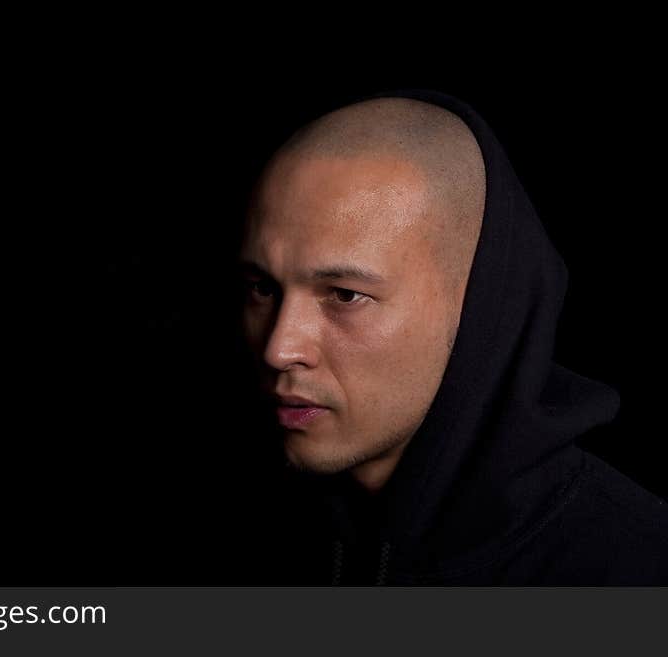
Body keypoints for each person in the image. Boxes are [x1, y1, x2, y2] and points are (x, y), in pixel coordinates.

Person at [239, 90, 668, 585]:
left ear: (480, 303)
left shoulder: (636, 571)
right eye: (262, 288)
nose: (279, 348)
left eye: (344, 295)